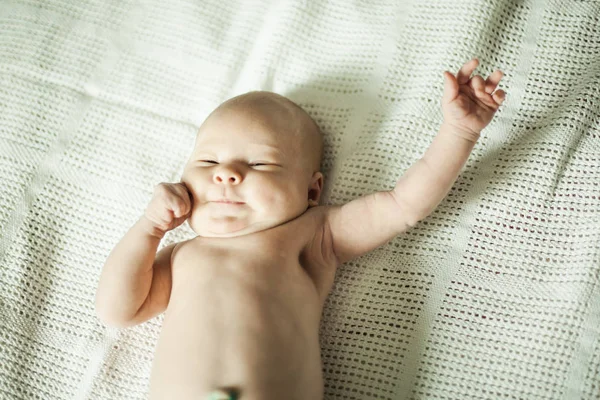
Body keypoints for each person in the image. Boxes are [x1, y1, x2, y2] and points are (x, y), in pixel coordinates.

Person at [95, 58, 505, 400]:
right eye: (207, 163)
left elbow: (403, 206)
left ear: (312, 190)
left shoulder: (315, 235)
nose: (226, 174)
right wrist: (149, 229)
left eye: (259, 164)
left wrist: (459, 132)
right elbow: (118, 309)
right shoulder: (181, 255)